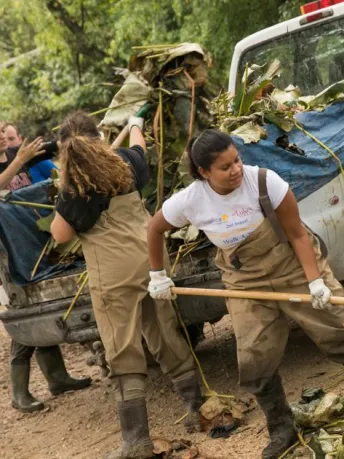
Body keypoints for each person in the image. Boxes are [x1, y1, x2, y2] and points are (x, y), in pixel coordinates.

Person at [147, 130, 344, 459]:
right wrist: (157, 275)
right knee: (254, 355)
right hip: (244, 280)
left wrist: (315, 282)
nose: (236, 169)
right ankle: (282, 427)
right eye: (225, 167)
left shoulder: (266, 183)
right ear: (203, 173)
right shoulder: (190, 201)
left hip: (292, 265)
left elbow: (298, 235)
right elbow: (154, 228)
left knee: (338, 327)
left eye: (237, 160)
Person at [49, 112, 202, 459]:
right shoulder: (126, 163)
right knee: (164, 332)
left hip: (114, 271)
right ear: (100, 137)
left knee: (122, 348)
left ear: (64, 149)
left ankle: (136, 442)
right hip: (150, 259)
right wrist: (134, 122)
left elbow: (60, 235)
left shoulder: (74, 189)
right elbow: (139, 143)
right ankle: (197, 409)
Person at [0, 124, 92, 412]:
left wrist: (77, 138)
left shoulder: (18, 152)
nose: (2, 137)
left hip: (36, 241)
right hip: (11, 251)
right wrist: (18, 161)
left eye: (1, 132)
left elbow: (52, 149)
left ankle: (57, 378)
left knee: (41, 308)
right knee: (24, 315)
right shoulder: (17, 157)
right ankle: (19, 393)